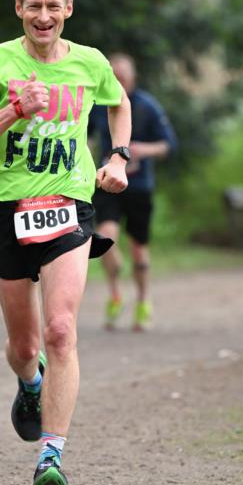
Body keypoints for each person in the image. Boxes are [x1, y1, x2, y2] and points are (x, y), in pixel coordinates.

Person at [0, 0, 131, 485]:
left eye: (54, 5)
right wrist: (10, 113)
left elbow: (118, 103)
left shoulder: (90, 63)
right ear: (20, 10)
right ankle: (30, 384)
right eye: (35, 6)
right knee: (26, 347)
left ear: (68, 9)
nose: (44, 15)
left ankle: (51, 457)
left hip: (69, 205)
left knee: (59, 330)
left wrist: (118, 156)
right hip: (8, 209)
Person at [89, 53, 177, 330]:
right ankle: (115, 293)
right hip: (106, 182)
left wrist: (141, 149)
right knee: (104, 239)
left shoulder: (147, 106)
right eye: (114, 76)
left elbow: (169, 145)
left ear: (133, 78)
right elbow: (83, 136)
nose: (119, 80)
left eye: (123, 76)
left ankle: (143, 301)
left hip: (139, 187)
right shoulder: (97, 105)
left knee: (139, 251)